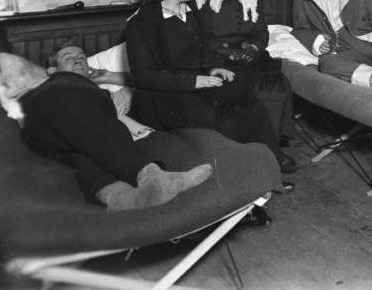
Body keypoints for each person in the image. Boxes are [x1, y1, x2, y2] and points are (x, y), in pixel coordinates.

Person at [125, 0, 297, 182]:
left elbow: (203, 47)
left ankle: (270, 162)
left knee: (249, 101)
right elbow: (145, 76)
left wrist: (214, 67)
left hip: (198, 84)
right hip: (167, 96)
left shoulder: (189, 10)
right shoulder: (141, 25)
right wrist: (197, 81)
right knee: (223, 120)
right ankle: (243, 184)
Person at [0, 49, 213, 211]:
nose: (78, 59)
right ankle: (151, 175)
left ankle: (125, 199)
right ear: (51, 71)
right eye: (68, 58)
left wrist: (108, 77)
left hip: (50, 137)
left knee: (82, 156)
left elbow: (147, 80)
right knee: (90, 126)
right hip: (42, 108)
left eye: (82, 56)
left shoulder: (99, 92)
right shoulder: (52, 86)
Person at [195, 0, 297, 157]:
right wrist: (222, 51)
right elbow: (197, 35)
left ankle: (272, 147)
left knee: (275, 86)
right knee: (240, 93)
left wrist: (254, 49)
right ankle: (249, 152)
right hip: (216, 57)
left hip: (250, 53)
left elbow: (262, 31)